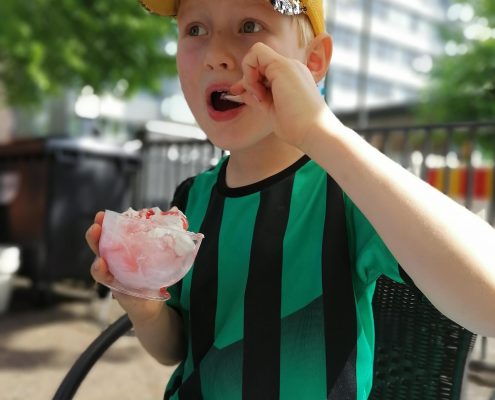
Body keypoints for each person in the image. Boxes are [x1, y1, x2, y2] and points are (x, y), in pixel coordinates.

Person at [86, 0, 495, 398]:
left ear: (313, 61)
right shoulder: (191, 198)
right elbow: (176, 350)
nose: (215, 55)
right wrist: (142, 304)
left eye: (249, 26)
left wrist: (319, 130)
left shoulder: (346, 188)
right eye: (195, 29)